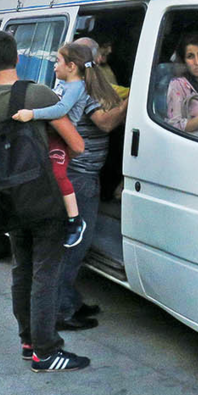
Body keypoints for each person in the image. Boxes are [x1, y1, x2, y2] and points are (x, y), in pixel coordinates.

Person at [0, 29, 90, 372]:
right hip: (42, 197)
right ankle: (46, 351)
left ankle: (28, 341)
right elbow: (77, 145)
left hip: (5, 199)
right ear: (18, 58)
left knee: (22, 268)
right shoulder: (38, 94)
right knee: (46, 273)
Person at [12, 41, 120, 250]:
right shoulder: (64, 83)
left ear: (71, 66)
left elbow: (60, 109)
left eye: (57, 61)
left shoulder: (77, 86)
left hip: (62, 140)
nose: (53, 65)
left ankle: (74, 221)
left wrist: (32, 114)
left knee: (58, 174)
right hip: (52, 135)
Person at [53, 36, 128, 329]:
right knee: (75, 247)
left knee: (77, 245)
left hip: (83, 175)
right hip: (79, 177)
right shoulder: (83, 90)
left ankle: (70, 302)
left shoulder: (85, 87)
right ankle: (61, 313)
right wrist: (131, 100)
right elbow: (105, 123)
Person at [166, 31, 198, 134]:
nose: (197, 62)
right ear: (184, 61)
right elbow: (173, 126)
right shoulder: (178, 85)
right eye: (190, 56)